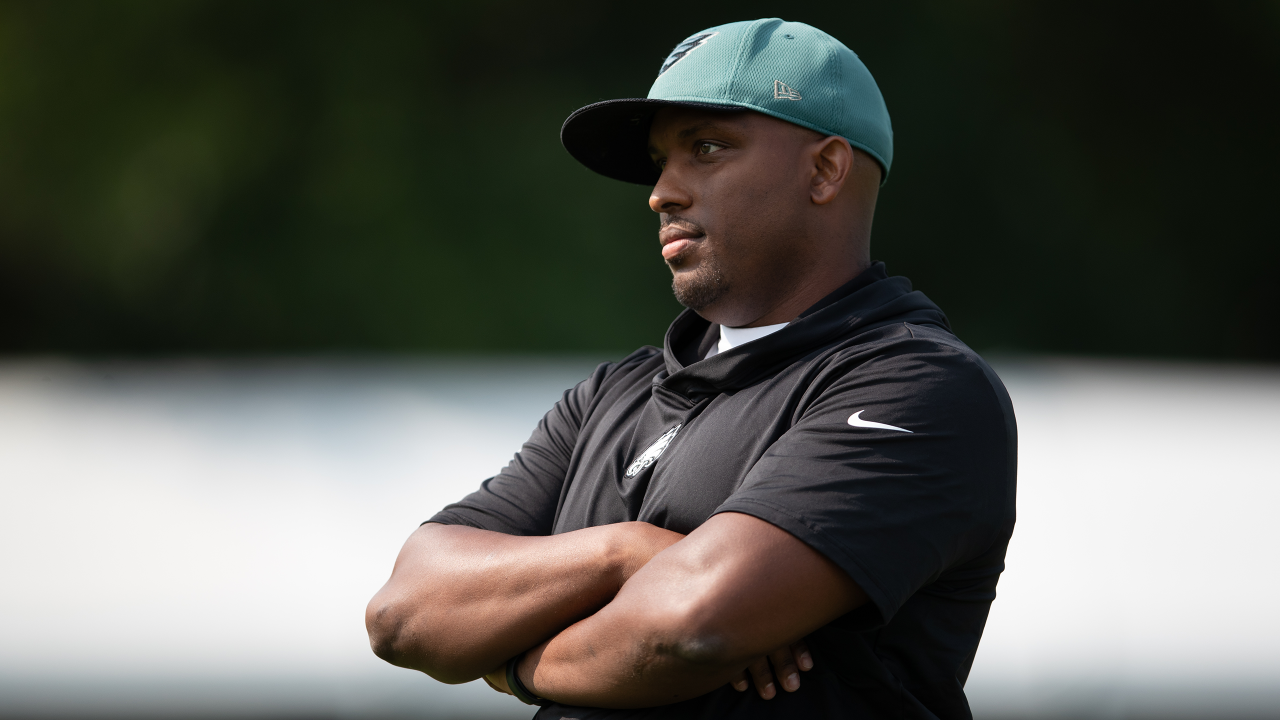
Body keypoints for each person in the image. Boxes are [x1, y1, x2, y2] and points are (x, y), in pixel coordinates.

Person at [366, 18, 1017, 720]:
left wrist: (515, 665)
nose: (661, 193)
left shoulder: (919, 385)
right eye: (658, 161)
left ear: (825, 169)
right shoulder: (610, 395)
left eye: (706, 148)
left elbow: (690, 628)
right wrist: (622, 553)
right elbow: (403, 615)